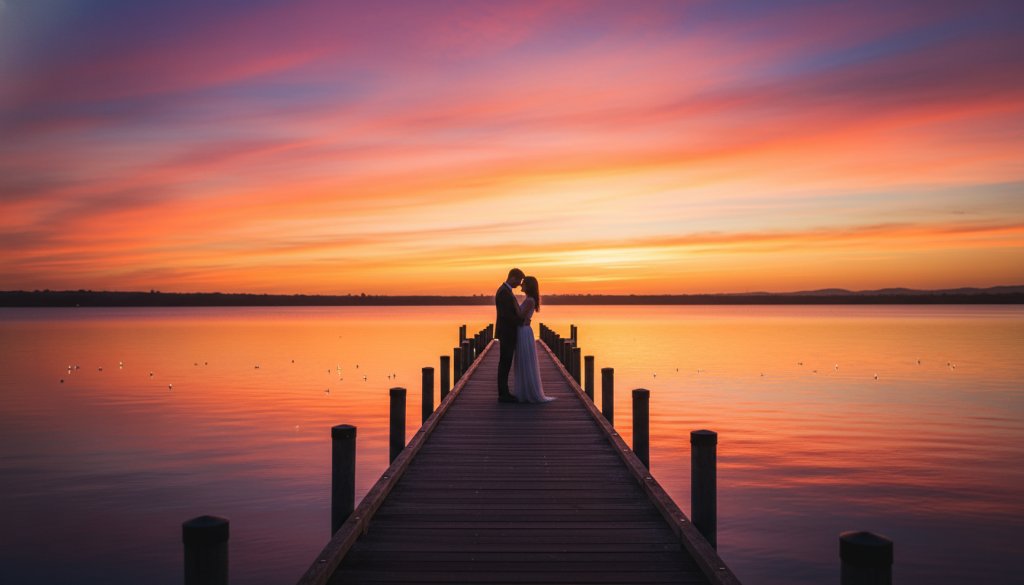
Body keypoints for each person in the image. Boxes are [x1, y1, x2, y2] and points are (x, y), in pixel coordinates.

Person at [511, 276, 554, 403]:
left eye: (523, 284)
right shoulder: (529, 300)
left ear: (529, 286)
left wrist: (513, 302)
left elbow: (520, 315)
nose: (521, 285)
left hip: (524, 331)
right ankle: (523, 390)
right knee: (523, 361)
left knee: (525, 360)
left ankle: (527, 392)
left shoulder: (530, 300)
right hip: (523, 330)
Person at [494, 268, 525, 403]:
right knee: (505, 363)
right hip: (507, 332)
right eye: (518, 281)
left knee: (506, 362)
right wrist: (521, 321)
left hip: (507, 332)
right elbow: (506, 315)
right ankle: (503, 394)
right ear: (512, 277)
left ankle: (505, 392)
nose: (519, 284)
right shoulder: (503, 292)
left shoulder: (505, 291)